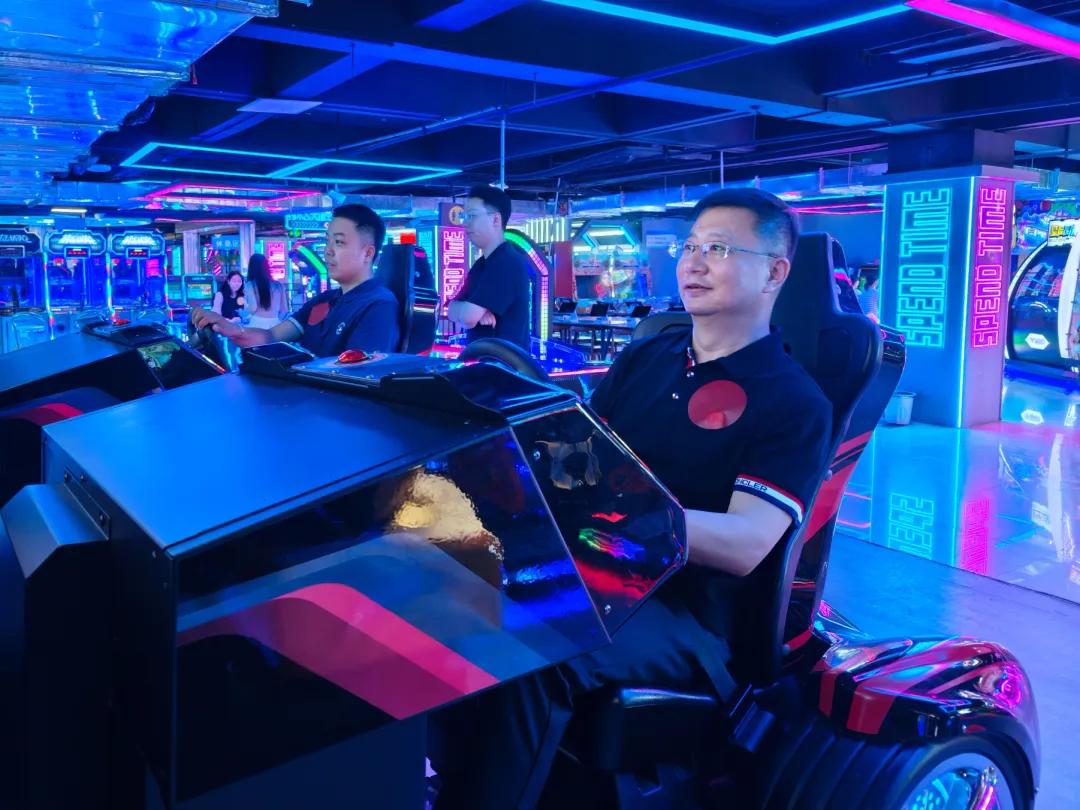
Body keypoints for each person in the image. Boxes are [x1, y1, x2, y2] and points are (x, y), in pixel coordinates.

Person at [429, 188, 833, 809]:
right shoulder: (649, 356)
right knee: (434, 591)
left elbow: (746, 542)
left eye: (719, 249)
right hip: (591, 569)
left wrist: (628, 515)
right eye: (690, 247)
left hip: (686, 613)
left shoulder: (794, 401)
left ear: (775, 272)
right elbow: (580, 458)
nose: (694, 262)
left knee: (523, 646)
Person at [190, 204, 400, 356]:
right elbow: (271, 337)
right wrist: (232, 329)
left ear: (367, 253)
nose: (328, 251)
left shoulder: (378, 305)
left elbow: (359, 376)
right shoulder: (324, 300)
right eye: (327, 241)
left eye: (339, 242)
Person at [447, 185, 531, 351]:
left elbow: (468, 318)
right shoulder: (481, 264)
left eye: (472, 216)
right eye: (464, 216)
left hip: (505, 363)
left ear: (495, 220)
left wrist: (470, 312)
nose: (465, 223)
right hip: (485, 360)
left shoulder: (506, 263)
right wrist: (473, 312)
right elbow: (450, 310)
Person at [243, 253, 287, 331]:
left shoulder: (250, 285)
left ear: (251, 267)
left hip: (257, 324)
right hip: (275, 324)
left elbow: (253, 308)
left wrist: (244, 312)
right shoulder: (279, 285)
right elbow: (284, 310)